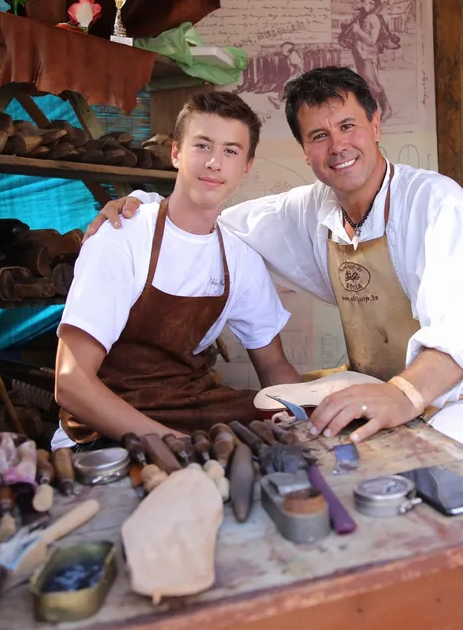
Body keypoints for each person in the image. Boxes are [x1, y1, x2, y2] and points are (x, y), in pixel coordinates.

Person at [88, 68, 463, 628]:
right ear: (305, 150)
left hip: (458, 411)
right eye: (318, 135)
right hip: (374, 403)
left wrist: (403, 394)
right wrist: (141, 207)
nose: (337, 146)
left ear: (375, 124)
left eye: (347, 126)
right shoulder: (310, 210)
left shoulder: (435, 203)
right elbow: (210, 213)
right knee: (378, 559)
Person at [52, 91, 301, 451]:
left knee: (270, 430)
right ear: (175, 153)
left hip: (187, 405)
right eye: (202, 145)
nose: (214, 162)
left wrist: (307, 420)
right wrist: (177, 444)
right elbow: (71, 383)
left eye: (231, 151)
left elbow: (273, 364)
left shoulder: (239, 258)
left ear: (246, 167)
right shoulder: (123, 235)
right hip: (107, 421)